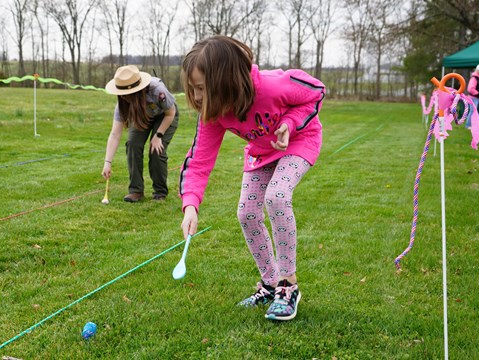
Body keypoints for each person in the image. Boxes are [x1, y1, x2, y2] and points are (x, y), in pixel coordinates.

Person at [179, 35, 325, 321]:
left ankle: (288, 285)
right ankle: (270, 284)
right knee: (246, 213)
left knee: (277, 197)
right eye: (192, 89)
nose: (196, 97)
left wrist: (289, 123)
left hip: (299, 141)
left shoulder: (273, 86)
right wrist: (190, 206)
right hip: (261, 153)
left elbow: (316, 91)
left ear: (225, 81)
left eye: (201, 88)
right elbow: (198, 162)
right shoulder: (214, 113)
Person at [102, 65, 178, 202]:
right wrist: (107, 162)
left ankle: (160, 192)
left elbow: (170, 113)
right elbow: (115, 134)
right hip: (142, 116)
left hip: (165, 116)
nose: (124, 98)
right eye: (122, 95)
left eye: (127, 95)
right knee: (132, 144)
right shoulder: (123, 104)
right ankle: (136, 191)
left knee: (156, 150)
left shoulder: (157, 91)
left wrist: (158, 136)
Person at [467, 64, 479, 129]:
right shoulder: (474, 78)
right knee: (472, 111)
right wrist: (477, 93)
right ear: (477, 70)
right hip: (474, 97)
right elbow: (470, 89)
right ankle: (468, 125)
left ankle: (478, 122)